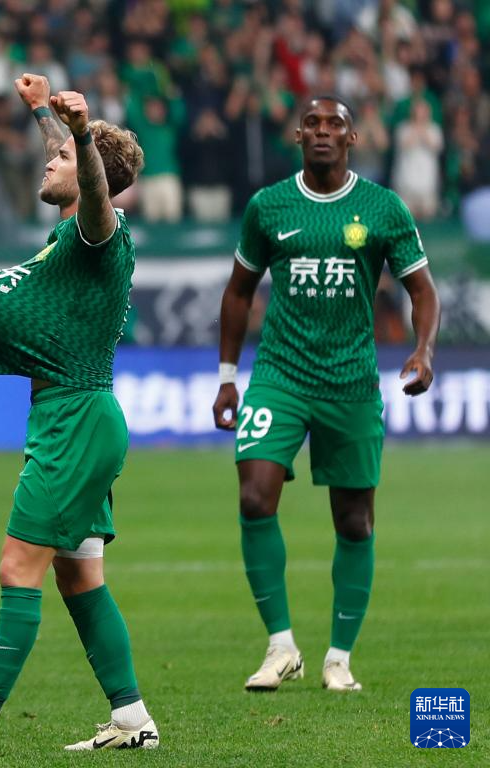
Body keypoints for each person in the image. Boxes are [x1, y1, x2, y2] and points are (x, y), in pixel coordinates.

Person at [0, 74, 157, 754]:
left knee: (16, 566)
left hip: (75, 422)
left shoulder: (97, 232)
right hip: (72, 414)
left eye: (60, 156)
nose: (48, 159)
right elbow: (74, 166)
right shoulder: (67, 232)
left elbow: (93, 186)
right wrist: (42, 113)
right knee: (78, 576)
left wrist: (83, 135)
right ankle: (131, 718)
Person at [212, 96, 440, 694]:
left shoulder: (383, 208)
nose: (321, 131)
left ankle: (339, 658)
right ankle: (281, 646)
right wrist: (228, 375)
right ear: (297, 136)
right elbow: (238, 292)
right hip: (280, 376)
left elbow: (422, 291)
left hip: (351, 382)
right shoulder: (268, 206)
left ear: (351, 138)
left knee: (355, 522)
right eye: (311, 123)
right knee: (254, 496)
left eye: (333, 124)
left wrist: (423, 350)